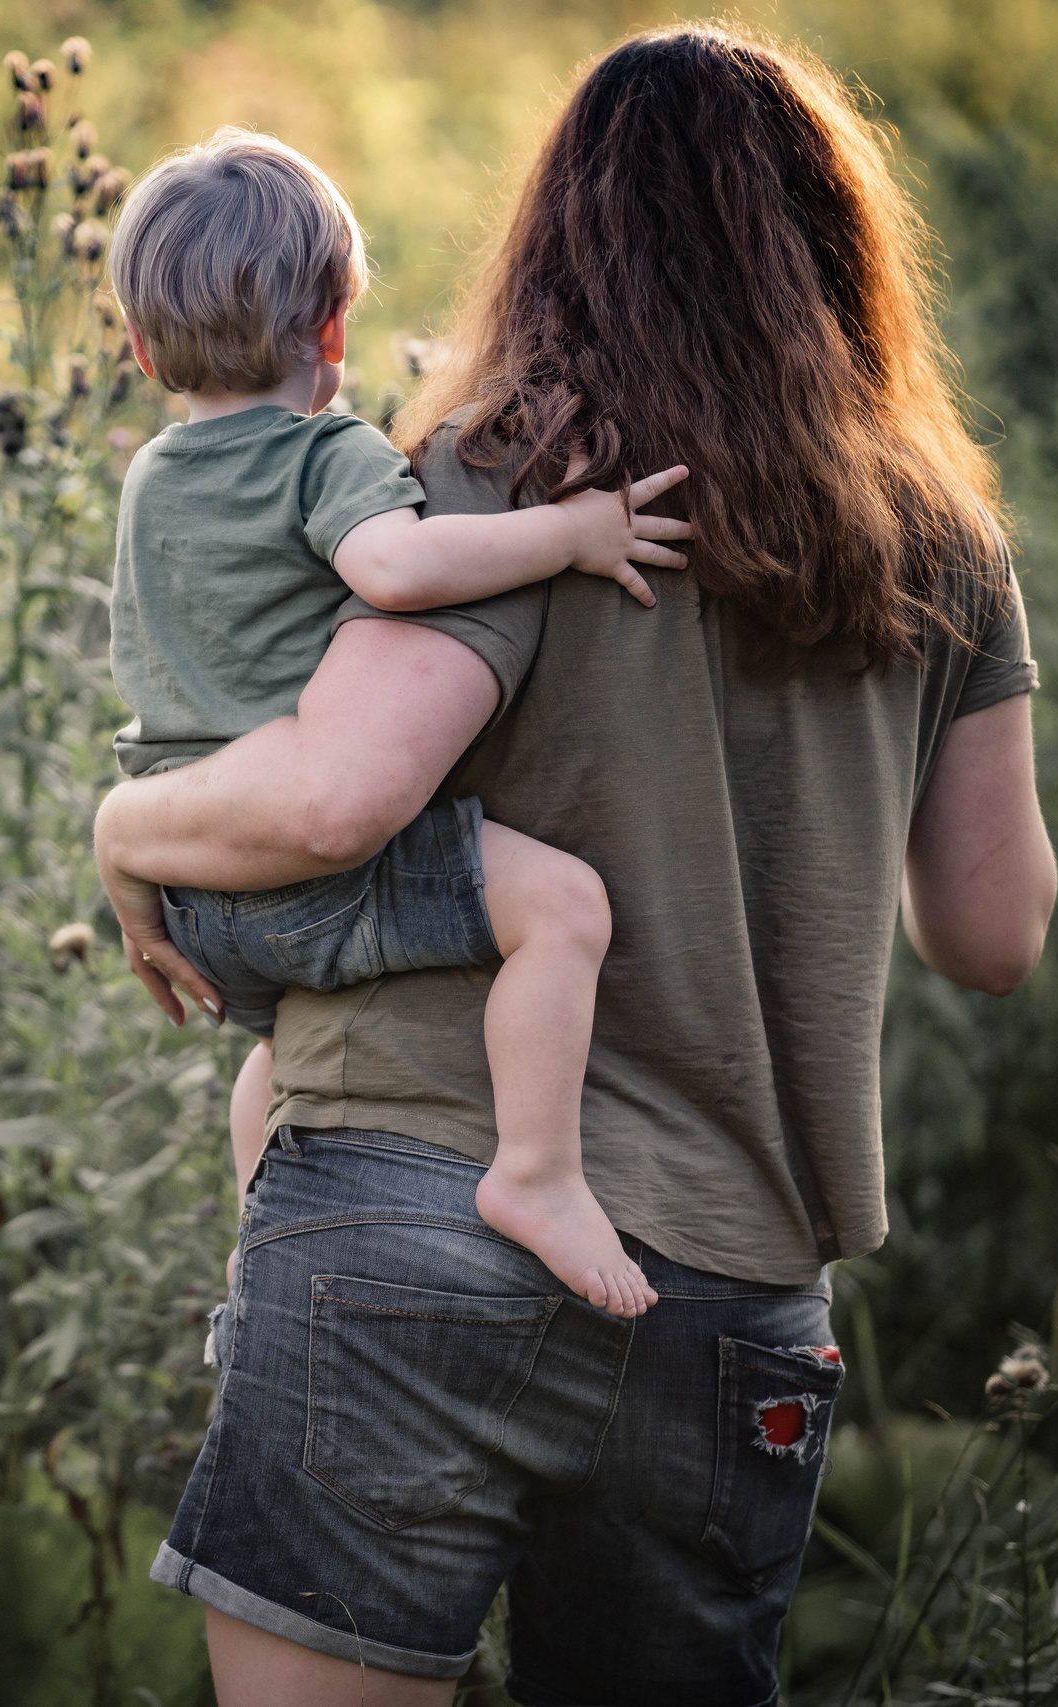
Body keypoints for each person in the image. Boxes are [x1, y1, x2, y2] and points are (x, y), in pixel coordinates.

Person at [95, 25, 1057, 1705]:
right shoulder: (942, 540)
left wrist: (119, 828)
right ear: (838, 249)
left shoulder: (500, 473)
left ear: (564, 232)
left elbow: (337, 797)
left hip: (412, 1204)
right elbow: (994, 930)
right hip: (732, 1279)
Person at [104, 128, 696, 1316]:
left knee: (283, 1062)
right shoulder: (325, 453)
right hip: (303, 865)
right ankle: (535, 1176)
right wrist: (573, 536)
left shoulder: (151, 479)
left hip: (196, 887)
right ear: (331, 330)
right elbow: (395, 568)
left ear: (137, 346)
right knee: (562, 908)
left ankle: (250, 1264)